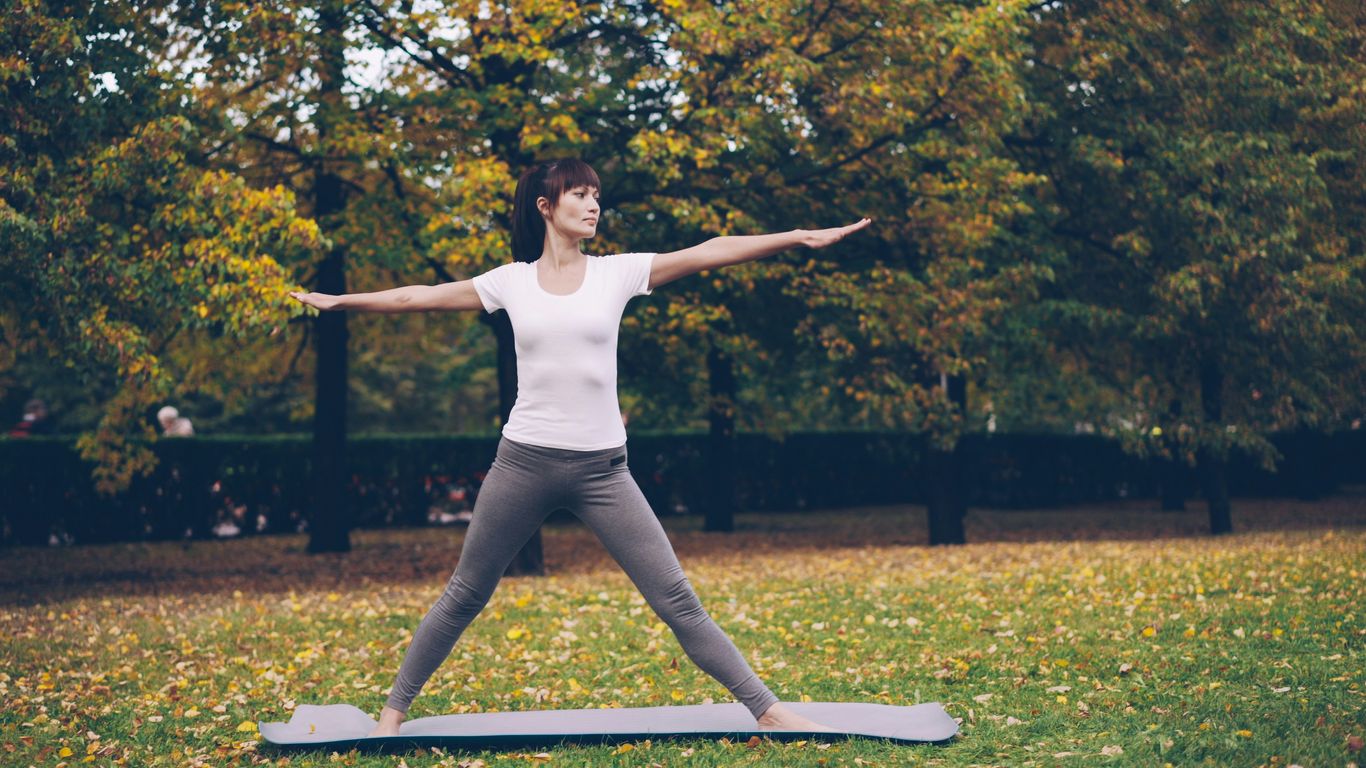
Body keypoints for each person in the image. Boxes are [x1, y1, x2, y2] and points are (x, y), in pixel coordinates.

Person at [289, 159, 870, 737]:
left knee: (677, 600)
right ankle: (391, 715)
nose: (594, 205)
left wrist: (796, 236)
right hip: (522, 464)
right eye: (580, 195)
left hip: (604, 472)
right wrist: (342, 302)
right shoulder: (510, 282)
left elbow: (708, 250)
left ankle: (766, 707)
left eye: (597, 195)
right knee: (465, 594)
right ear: (547, 207)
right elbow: (416, 299)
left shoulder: (616, 273)